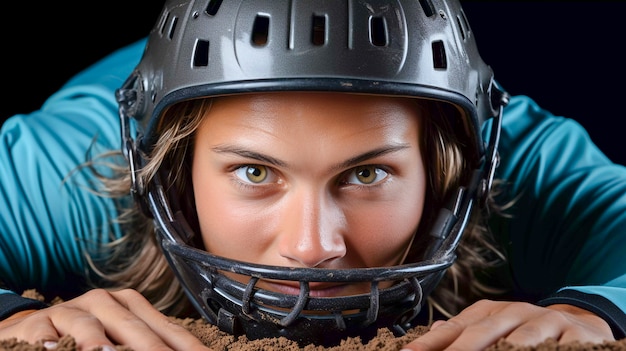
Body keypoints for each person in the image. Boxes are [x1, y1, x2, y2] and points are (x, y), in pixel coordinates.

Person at [1, 1, 625, 350]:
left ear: (444, 170)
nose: (312, 248)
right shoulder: (80, 170)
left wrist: (599, 308)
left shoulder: (517, 160)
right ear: (171, 169)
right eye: (253, 171)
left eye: (368, 174)